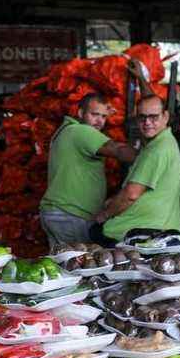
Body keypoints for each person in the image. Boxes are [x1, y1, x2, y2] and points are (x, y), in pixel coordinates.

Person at [39, 93, 136, 248]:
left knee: (64, 266)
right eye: (94, 114)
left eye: (104, 116)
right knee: (80, 265)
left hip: (58, 213)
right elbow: (119, 151)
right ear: (80, 113)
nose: (99, 121)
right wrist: (151, 153)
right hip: (71, 215)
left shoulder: (66, 131)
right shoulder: (82, 132)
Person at [92, 95, 180, 243]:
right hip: (152, 229)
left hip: (139, 234)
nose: (147, 122)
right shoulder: (161, 143)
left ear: (165, 117)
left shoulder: (157, 150)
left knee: (94, 232)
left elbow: (131, 195)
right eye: (142, 117)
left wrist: (105, 214)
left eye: (153, 117)